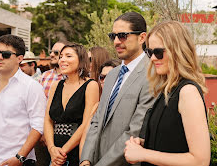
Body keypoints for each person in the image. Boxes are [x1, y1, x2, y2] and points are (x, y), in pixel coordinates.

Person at [123, 21, 210, 166]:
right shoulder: (168, 90)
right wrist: (145, 143)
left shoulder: (187, 92)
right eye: (149, 52)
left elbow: (200, 160)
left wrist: (144, 154)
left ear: (177, 51)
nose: (152, 58)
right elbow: (172, 141)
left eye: (158, 52)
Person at [80, 12, 155, 166]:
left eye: (122, 35)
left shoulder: (152, 74)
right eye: (112, 36)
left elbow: (135, 131)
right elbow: (97, 120)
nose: (116, 41)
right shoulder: (112, 75)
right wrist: (86, 159)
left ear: (142, 38)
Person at [0, 34, 47, 166]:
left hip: (15, 160)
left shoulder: (32, 87)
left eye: (5, 54)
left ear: (20, 58)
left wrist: (20, 157)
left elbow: (38, 125)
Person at [44, 44, 99, 166]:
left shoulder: (91, 85)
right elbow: (48, 120)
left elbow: (86, 124)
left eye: (68, 56)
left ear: (81, 60)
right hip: (54, 153)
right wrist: (52, 149)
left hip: (76, 152)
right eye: (61, 56)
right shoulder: (56, 85)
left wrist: (62, 152)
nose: (62, 60)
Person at [79, 59, 120, 157]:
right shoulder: (96, 106)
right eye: (102, 77)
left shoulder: (126, 106)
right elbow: (84, 139)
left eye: (110, 76)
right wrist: (84, 161)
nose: (105, 81)